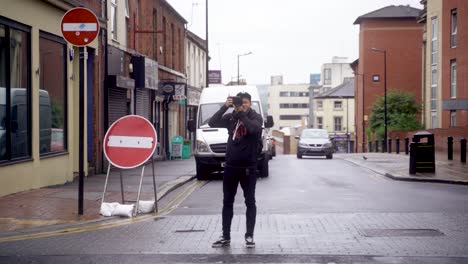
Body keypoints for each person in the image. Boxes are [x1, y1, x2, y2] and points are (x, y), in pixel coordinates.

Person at [208, 92, 263, 248]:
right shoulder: (230, 117)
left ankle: (249, 236)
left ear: (250, 103)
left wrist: (241, 114)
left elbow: (254, 130)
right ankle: (225, 236)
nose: (242, 105)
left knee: (250, 202)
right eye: (239, 103)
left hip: (248, 168)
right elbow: (212, 122)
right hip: (231, 166)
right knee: (227, 202)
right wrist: (225, 106)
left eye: (245, 103)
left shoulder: (255, 117)